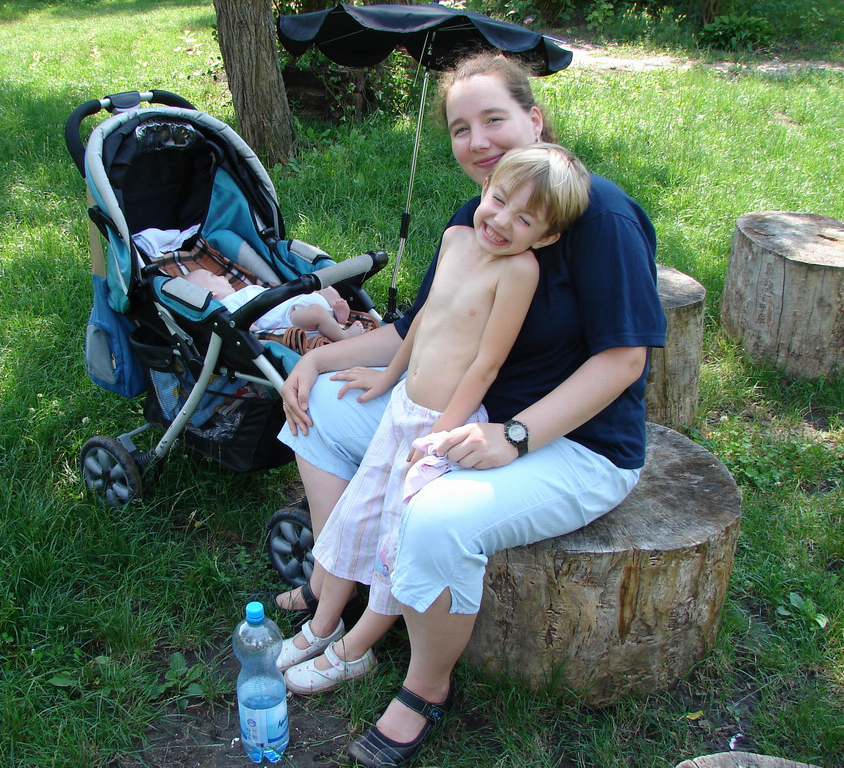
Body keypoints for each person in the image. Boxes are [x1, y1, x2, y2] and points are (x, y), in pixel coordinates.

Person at [273, 50, 667, 768]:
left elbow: (624, 360)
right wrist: (317, 361)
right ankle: (341, 578)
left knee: (436, 517)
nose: (478, 142)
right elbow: (421, 324)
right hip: (467, 415)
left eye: (494, 119)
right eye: (461, 129)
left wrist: (514, 436)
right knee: (322, 409)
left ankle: (425, 687)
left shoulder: (601, 216)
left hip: (573, 444)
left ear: (534, 119)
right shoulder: (477, 218)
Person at [274, 143, 591, 691]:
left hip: (442, 424)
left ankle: (356, 650)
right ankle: (323, 624)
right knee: (358, 514)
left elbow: (487, 364)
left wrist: (442, 434)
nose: (502, 222)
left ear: (545, 237)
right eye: (499, 200)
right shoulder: (455, 238)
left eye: (524, 220)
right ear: (484, 189)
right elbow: (422, 320)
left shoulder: (520, 272)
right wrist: (387, 376)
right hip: (402, 408)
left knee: (396, 538)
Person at [183, 268, 366, 341]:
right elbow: (244, 326)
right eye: (214, 276)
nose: (222, 276)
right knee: (317, 312)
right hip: (292, 318)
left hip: (297, 300)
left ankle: (338, 314)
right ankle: (344, 336)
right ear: (210, 292)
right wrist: (254, 333)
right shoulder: (226, 307)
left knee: (325, 287)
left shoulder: (243, 292)